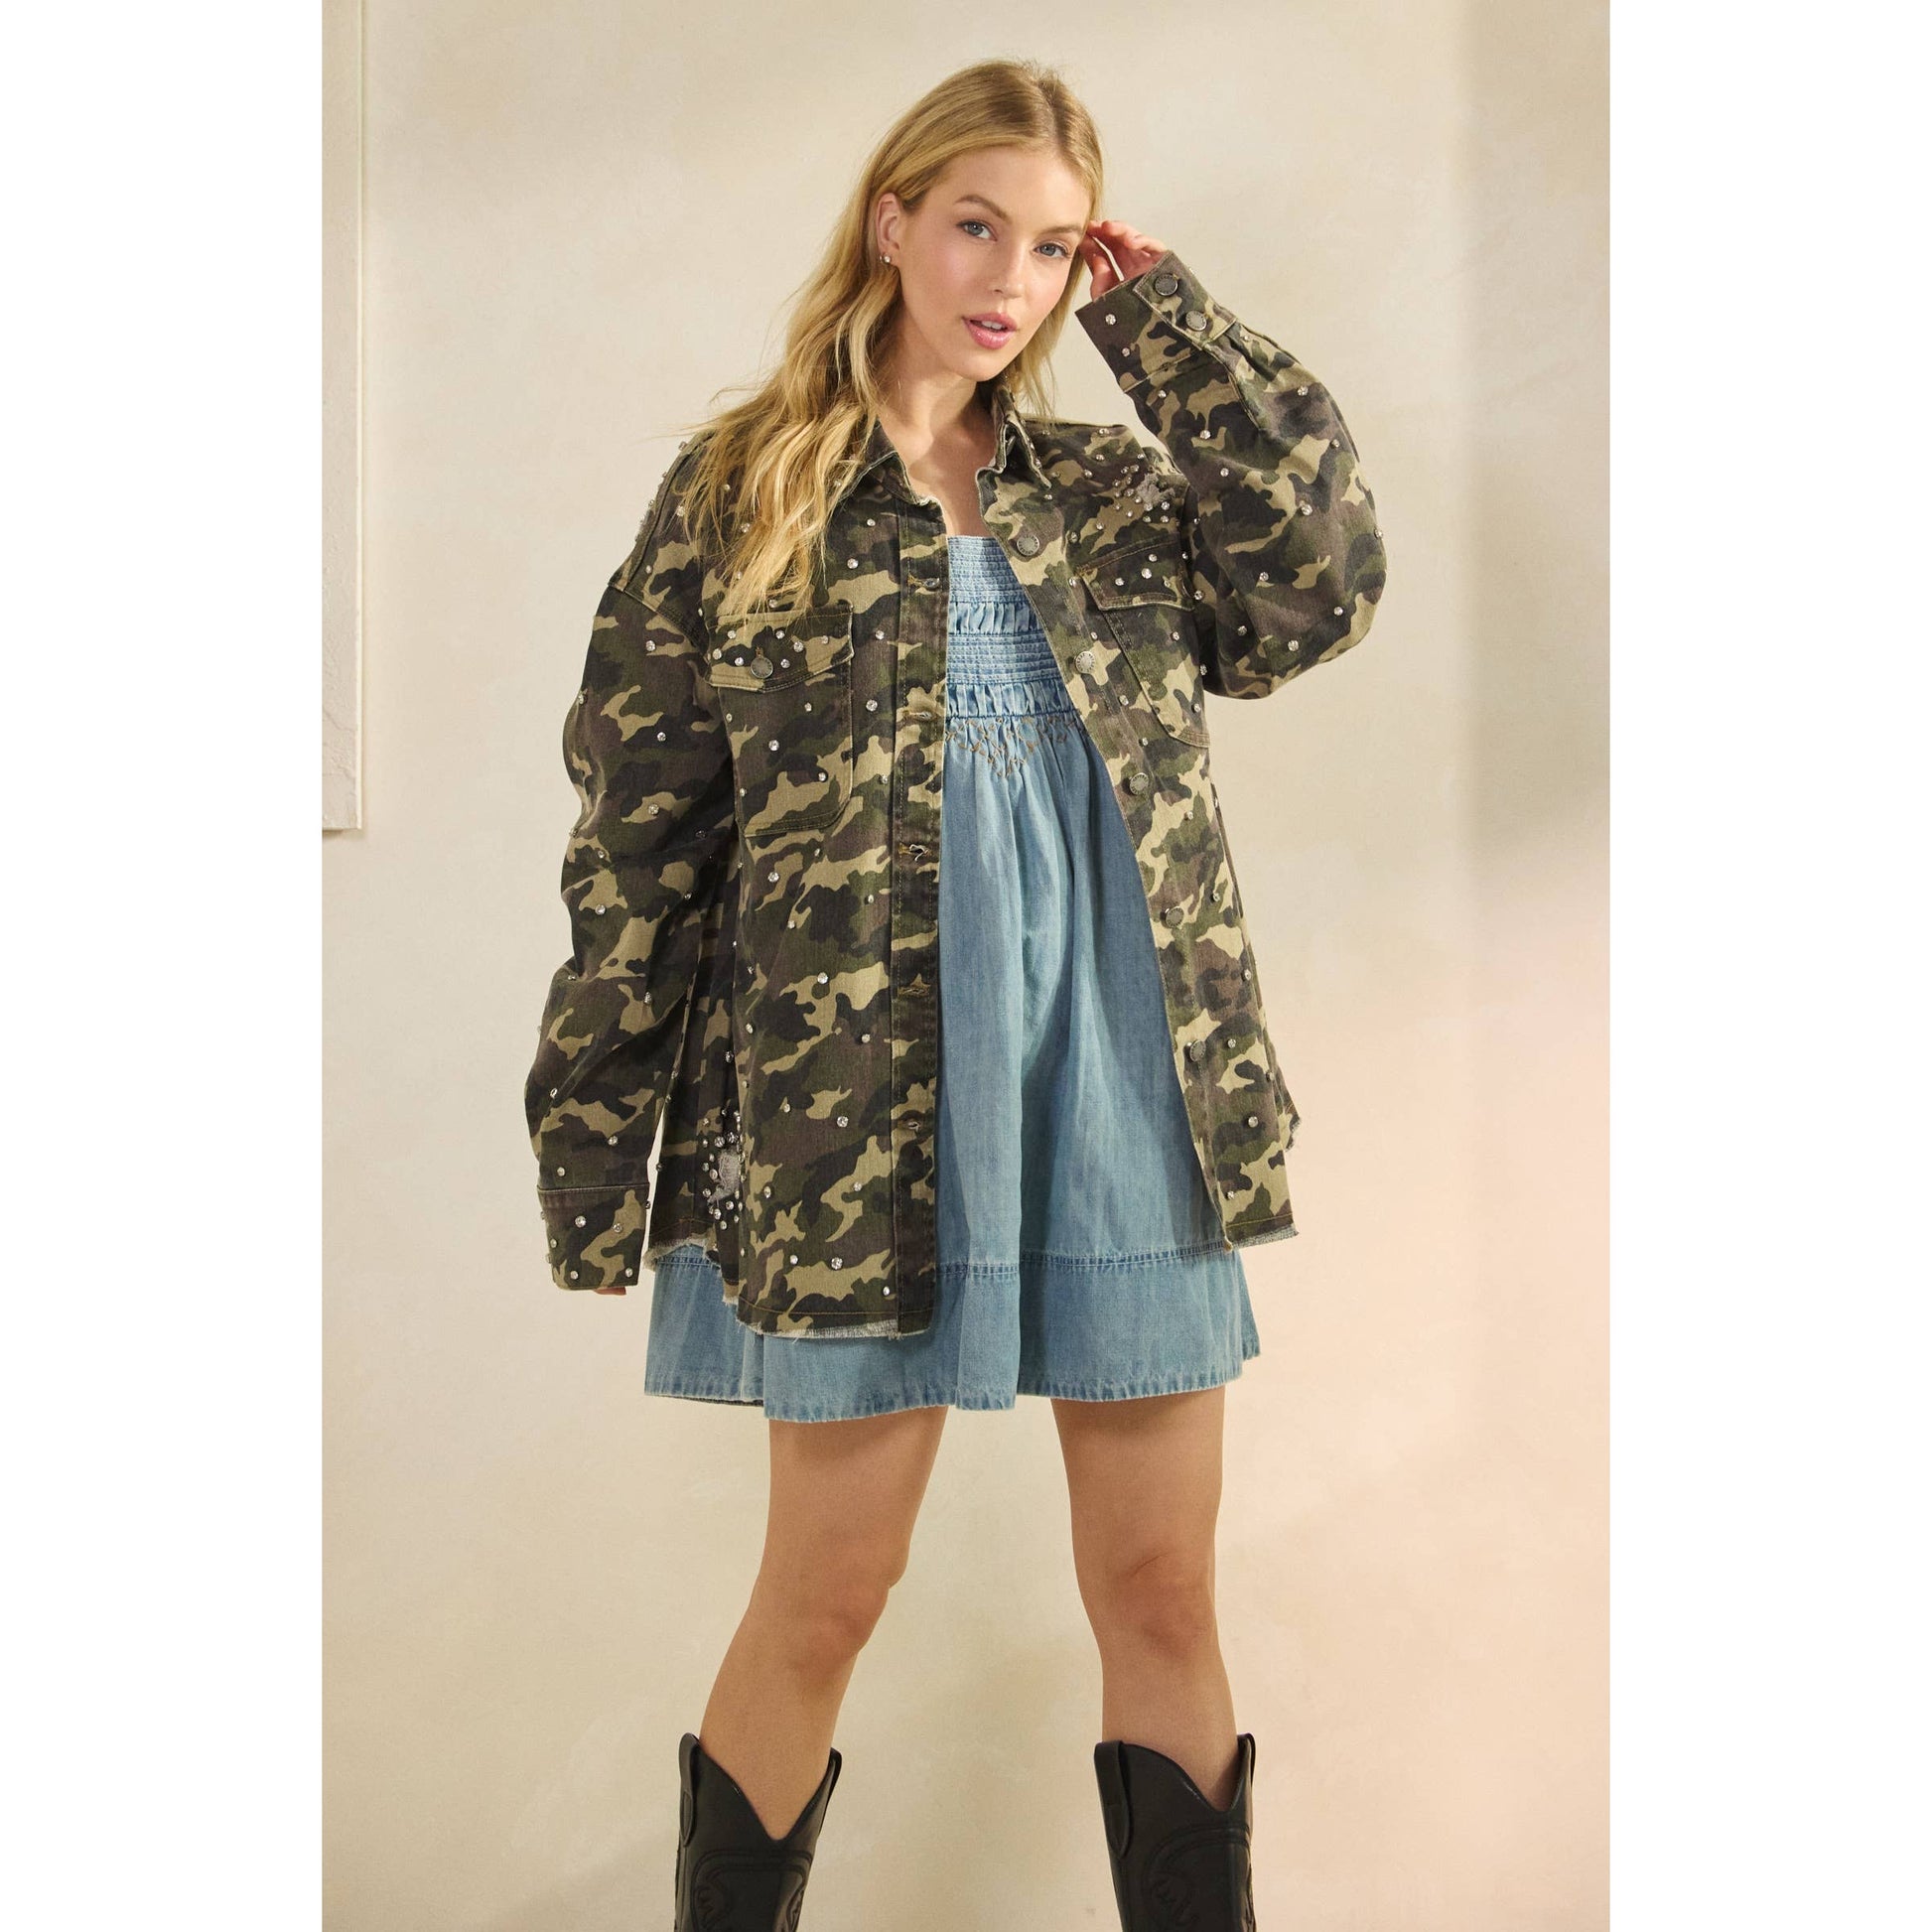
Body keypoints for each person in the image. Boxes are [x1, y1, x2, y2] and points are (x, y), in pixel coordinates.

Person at [526, 56, 1386, 1931]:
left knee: (1159, 1594)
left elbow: (1318, 584)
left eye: (1055, 245)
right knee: (826, 1597)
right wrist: (595, 1156)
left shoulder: (1112, 494)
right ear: (893, 221)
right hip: (854, 1120)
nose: (1011, 277)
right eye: (978, 225)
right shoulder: (742, 493)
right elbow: (639, 843)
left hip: (1125, 1086)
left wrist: (1170, 327)